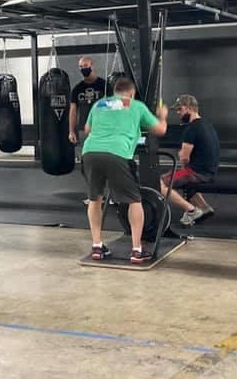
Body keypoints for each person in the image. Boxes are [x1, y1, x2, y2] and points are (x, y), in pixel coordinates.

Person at [83, 76, 168, 263]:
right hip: (117, 153)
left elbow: (87, 129)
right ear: (131, 93)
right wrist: (162, 116)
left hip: (90, 152)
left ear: (115, 92)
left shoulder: (100, 104)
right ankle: (137, 250)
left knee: (94, 199)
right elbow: (161, 130)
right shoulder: (136, 105)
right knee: (134, 200)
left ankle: (97, 246)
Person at [160, 94, 219, 226]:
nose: (178, 113)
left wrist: (182, 160)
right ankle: (204, 208)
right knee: (181, 174)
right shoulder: (206, 124)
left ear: (189, 108)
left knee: (159, 183)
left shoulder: (192, 129)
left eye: (180, 109)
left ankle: (191, 210)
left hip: (197, 173)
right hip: (209, 171)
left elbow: (184, 158)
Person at [68, 56, 107, 162]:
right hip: (84, 129)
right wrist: (71, 131)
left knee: (102, 157)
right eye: (81, 67)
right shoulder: (77, 89)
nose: (83, 69)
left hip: (102, 128)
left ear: (92, 66)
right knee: (87, 158)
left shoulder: (104, 85)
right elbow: (73, 111)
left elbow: (114, 105)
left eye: (85, 66)